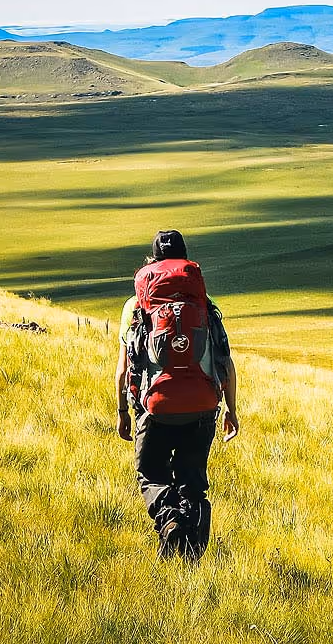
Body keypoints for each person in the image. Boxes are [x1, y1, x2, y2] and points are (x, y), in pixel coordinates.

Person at [115, 229, 239, 560]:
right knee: (192, 481)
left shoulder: (135, 305)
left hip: (154, 408)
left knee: (152, 474)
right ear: (185, 260)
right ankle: (191, 556)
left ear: (153, 262)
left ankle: (169, 524)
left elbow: (123, 368)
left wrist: (123, 413)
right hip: (202, 406)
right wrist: (231, 409)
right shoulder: (205, 303)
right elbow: (225, 362)